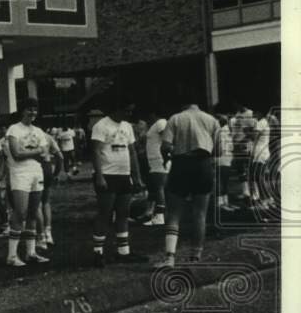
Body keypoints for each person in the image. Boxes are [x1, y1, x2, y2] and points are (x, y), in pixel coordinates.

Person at [156, 102, 221, 268]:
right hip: (203, 165)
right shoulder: (211, 120)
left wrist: (167, 157)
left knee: (174, 213)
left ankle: (170, 257)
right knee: (200, 213)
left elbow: (165, 146)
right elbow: (219, 150)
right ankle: (195, 256)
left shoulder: (176, 118)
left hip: (182, 163)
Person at [90, 102, 146, 267]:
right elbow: (96, 151)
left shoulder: (127, 126)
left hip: (124, 175)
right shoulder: (101, 125)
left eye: (130, 111)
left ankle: (124, 251)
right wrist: (99, 176)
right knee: (105, 213)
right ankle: (98, 252)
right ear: (116, 108)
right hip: (107, 174)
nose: (128, 114)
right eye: (126, 110)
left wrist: (136, 177)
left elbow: (132, 151)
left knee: (123, 212)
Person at [4, 99, 49, 267]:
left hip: (36, 172)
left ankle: (31, 252)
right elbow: (16, 153)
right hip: (20, 173)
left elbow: (45, 154)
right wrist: (36, 151)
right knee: (20, 212)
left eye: (35, 110)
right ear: (23, 111)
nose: (33, 113)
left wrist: (29, 152)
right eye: (29, 110)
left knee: (32, 213)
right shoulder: (14, 129)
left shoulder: (38, 131)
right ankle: (11, 256)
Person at [36, 124, 64, 249]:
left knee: (37, 204)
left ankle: (41, 236)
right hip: (47, 168)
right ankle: (48, 233)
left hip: (35, 168)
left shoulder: (27, 136)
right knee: (46, 202)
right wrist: (56, 173)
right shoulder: (48, 137)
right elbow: (60, 157)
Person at [142, 109, 168, 226]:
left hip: (159, 159)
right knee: (153, 187)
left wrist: (166, 156)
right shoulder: (154, 125)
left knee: (159, 187)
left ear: (154, 113)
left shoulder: (161, 122)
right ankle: (149, 212)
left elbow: (167, 138)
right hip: (153, 160)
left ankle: (160, 216)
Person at [250, 107, 273, 211]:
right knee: (259, 178)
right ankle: (268, 199)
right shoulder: (265, 122)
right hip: (263, 153)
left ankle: (264, 201)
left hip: (259, 154)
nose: (253, 114)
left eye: (254, 112)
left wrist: (247, 131)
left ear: (259, 112)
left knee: (258, 178)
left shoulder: (261, 123)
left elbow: (253, 136)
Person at [216, 113, 234, 210]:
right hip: (222, 158)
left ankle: (225, 202)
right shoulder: (222, 132)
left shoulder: (227, 131)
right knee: (221, 180)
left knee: (225, 181)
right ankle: (220, 202)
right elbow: (220, 147)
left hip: (227, 157)